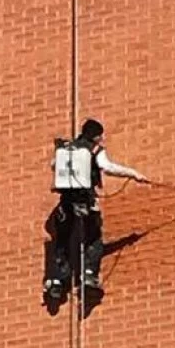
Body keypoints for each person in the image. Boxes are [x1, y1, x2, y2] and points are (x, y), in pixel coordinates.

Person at [47, 118, 148, 293]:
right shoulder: (94, 149)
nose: (102, 139)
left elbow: (54, 166)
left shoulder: (67, 147)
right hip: (85, 200)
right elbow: (107, 167)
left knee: (62, 239)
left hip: (66, 201)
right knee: (93, 237)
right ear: (96, 136)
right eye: (100, 136)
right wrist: (133, 174)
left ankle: (56, 281)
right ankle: (88, 275)